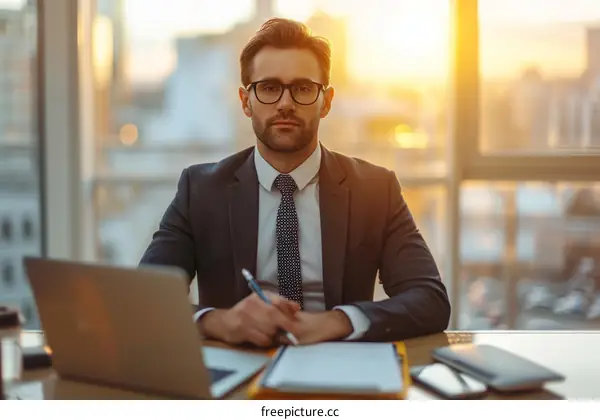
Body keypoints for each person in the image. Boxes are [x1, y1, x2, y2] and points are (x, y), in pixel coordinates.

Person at [140, 17, 450, 347]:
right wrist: (219, 321)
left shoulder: (375, 189)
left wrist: (338, 321)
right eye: (270, 88)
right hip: (236, 368)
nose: (285, 103)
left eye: (302, 88)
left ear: (326, 101)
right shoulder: (200, 190)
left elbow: (429, 299)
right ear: (246, 102)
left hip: (341, 363)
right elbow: (144, 296)